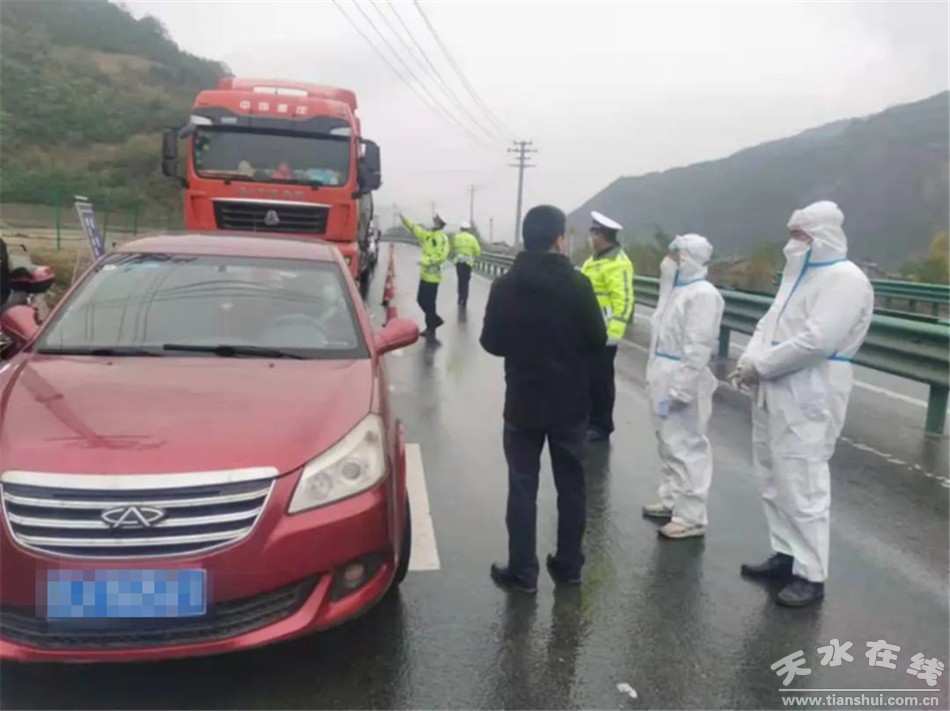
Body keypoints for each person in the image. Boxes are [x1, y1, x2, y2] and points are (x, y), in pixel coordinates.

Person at [732, 201, 873, 607]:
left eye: (801, 235)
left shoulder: (845, 279)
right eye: (792, 234)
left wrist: (761, 365)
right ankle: (786, 553)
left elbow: (818, 341)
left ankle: (811, 573)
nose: (792, 243)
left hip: (811, 388)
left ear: (822, 236)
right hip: (776, 385)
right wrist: (749, 359)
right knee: (773, 475)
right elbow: (769, 324)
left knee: (803, 480)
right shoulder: (799, 276)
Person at [480, 205, 606, 594]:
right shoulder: (579, 285)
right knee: (572, 486)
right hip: (570, 404)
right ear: (558, 239)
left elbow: (491, 342)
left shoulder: (505, 286)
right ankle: (569, 566)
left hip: (523, 403)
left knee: (522, 487)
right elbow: (598, 339)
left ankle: (523, 572)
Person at [642, 234, 724, 539]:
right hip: (664, 374)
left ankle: (691, 515)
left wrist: (682, 387)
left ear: (689, 258)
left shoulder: (703, 295)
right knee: (667, 441)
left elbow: (698, 345)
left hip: (682, 377)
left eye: (675, 255)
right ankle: (672, 499)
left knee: (687, 445)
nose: (669, 260)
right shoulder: (676, 291)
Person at [580, 211, 635, 442]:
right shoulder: (593, 261)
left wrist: (614, 334)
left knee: (601, 381)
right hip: (587, 331)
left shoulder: (618, 263)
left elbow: (624, 300)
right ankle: (587, 420)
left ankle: (601, 425)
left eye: (593, 233)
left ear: (602, 235)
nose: (590, 237)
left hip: (604, 333)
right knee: (586, 378)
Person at [401, 213, 450, 343]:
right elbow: (415, 229)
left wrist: (426, 261)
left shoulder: (442, 238)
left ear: (440, 223)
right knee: (421, 300)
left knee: (430, 303)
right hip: (424, 275)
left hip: (433, 276)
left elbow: (442, 256)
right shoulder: (429, 235)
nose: (433, 221)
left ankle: (431, 328)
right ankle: (434, 320)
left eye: (436, 220)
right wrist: (404, 219)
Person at [453, 221, 482, 306]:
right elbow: (477, 251)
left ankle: (460, 297)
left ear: (460, 229)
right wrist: (475, 255)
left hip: (459, 261)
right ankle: (465, 299)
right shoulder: (472, 238)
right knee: (466, 280)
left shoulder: (456, 237)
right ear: (468, 229)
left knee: (460, 279)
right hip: (468, 262)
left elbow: (453, 248)